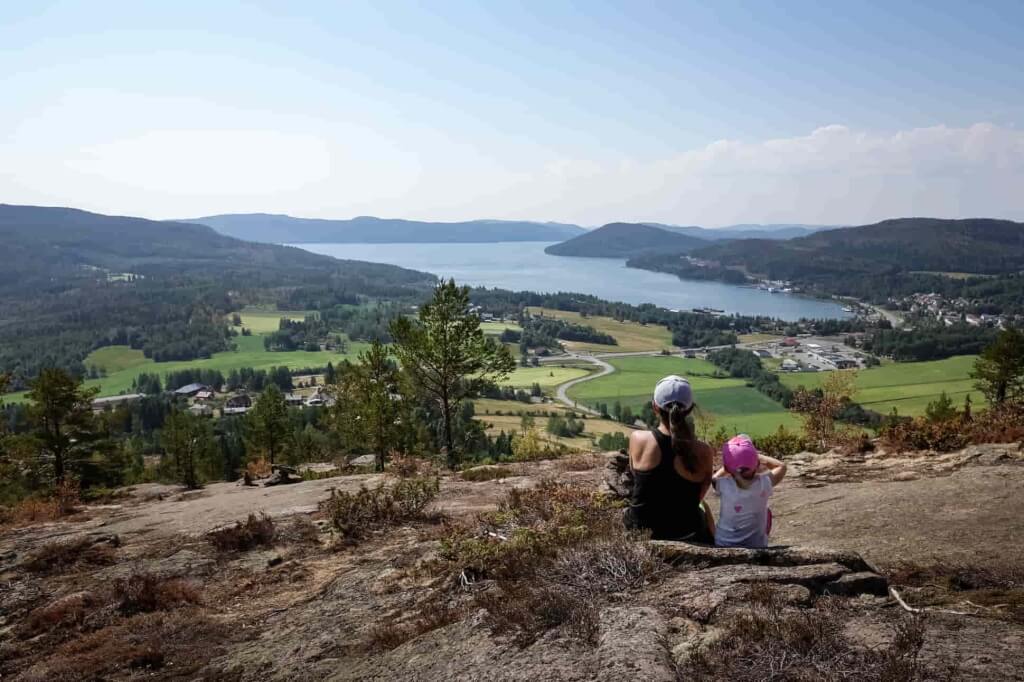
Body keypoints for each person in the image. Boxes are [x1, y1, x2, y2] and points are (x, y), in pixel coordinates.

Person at [623, 375, 716, 542]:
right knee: (706, 513)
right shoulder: (704, 452)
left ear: (655, 407)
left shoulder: (638, 439)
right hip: (686, 533)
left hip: (641, 533)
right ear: (690, 409)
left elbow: (637, 479)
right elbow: (700, 495)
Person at [712, 434, 787, 549]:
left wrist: (730, 467)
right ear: (756, 463)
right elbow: (781, 466)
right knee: (767, 512)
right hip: (755, 545)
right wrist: (756, 456)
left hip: (723, 543)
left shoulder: (722, 485)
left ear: (727, 468)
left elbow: (714, 477)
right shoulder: (764, 483)